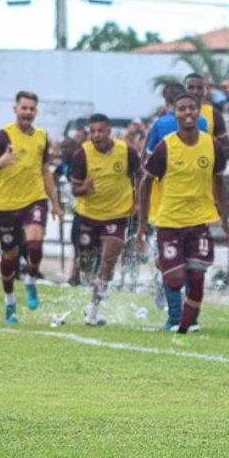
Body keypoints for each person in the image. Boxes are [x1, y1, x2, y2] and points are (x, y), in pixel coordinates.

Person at [136, 94, 229, 346]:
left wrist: (224, 219)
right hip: (169, 221)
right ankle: (166, 267)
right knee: (176, 280)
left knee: (197, 276)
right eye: (182, 109)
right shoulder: (166, 146)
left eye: (191, 108)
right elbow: (146, 182)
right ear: (174, 114)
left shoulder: (212, 146)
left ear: (198, 112)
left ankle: (183, 327)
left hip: (200, 220)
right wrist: (142, 222)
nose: (187, 112)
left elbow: (219, 181)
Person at [0, 91, 63, 324]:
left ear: (36, 111)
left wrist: (55, 204)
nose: (27, 112)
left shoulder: (42, 136)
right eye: (23, 108)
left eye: (31, 109)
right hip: (6, 206)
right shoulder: (2, 136)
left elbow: (45, 170)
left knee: (35, 244)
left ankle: (30, 279)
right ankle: (9, 301)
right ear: (15, 109)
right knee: (9, 257)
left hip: (35, 199)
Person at [144, 82, 211, 331]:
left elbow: (146, 162)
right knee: (183, 266)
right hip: (176, 206)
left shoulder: (160, 124)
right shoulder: (205, 122)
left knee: (173, 264)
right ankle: (180, 313)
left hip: (166, 204)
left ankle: (176, 312)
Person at [71, 114, 141, 326]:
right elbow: (75, 189)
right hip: (88, 216)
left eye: (100, 131)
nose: (96, 135)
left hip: (117, 215)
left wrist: (137, 202)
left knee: (109, 259)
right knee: (85, 265)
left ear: (109, 131)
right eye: (92, 131)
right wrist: (85, 188)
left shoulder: (126, 151)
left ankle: (94, 304)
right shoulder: (81, 155)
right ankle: (95, 288)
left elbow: (139, 177)